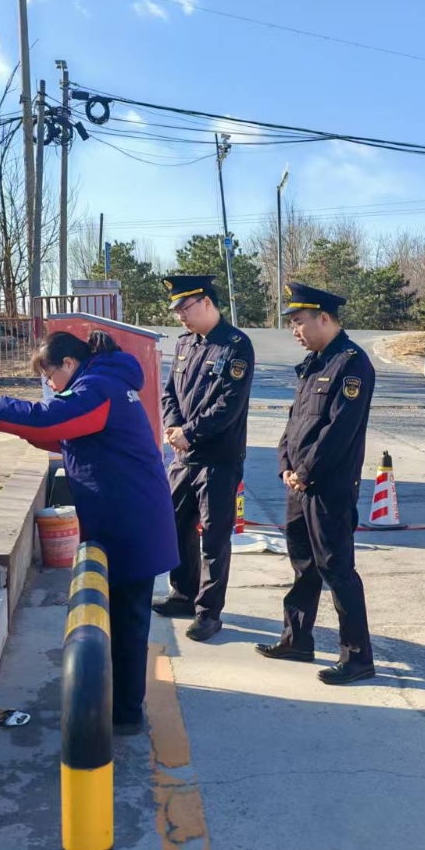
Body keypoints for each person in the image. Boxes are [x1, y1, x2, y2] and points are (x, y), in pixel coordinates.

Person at [0, 330, 178, 734]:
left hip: (129, 521)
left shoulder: (96, 387)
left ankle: (126, 713)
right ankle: (119, 700)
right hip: (126, 516)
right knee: (120, 617)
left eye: (50, 375)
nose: (50, 385)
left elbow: (50, 418)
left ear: (70, 364)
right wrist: (2, 420)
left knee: (128, 621)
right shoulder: (104, 383)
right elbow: (61, 434)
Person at [255, 281, 378, 685]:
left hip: (328, 487)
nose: (294, 330)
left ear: (324, 318)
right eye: (292, 322)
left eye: (299, 321)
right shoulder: (315, 362)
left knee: (337, 569)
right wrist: (285, 465)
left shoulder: (351, 363)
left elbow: (339, 431)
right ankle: (297, 639)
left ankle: (357, 658)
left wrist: (305, 472)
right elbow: (295, 423)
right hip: (300, 484)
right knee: (303, 565)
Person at [154, 275, 255, 642]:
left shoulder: (235, 345)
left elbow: (228, 405)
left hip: (217, 459)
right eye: (176, 310)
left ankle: (209, 612)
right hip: (184, 456)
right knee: (175, 526)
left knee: (213, 537)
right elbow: (170, 392)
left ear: (207, 303)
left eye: (185, 307)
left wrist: (190, 433)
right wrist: (173, 426)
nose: (179, 315)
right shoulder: (185, 344)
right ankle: (183, 594)